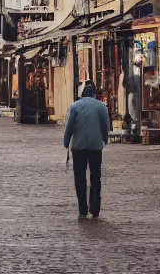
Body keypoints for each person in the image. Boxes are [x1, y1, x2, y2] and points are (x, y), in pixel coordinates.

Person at [63, 83, 110, 219]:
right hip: (95, 146)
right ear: (94, 94)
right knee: (95, 177)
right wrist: (105, 139)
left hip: (78, 147)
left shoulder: (75, 106)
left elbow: (69, 127)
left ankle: (83, 209)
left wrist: (66, 142)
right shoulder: (101, 106)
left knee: (80, 178)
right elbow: (105, 125)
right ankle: (95, 208)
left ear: (82, 94)